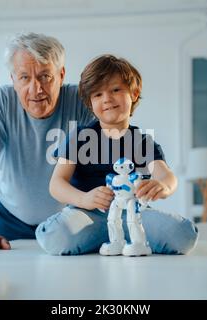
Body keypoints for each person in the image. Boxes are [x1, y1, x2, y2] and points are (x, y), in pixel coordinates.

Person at [35, 54, 198, 255]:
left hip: (132, 214)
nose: (107, 99)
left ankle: (119, 237)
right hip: (87, 214)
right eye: (97, 94)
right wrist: (85, 199)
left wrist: (163, 186)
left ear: (134, 93)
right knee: (55, 237)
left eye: (115, 90)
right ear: (89, 103)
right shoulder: (79, 137)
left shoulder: (142, 142)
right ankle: (106, 237)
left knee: (183, 235)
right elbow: (56, 184)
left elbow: (167, 175)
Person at [0, 32, 95, 251]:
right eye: (24, 77)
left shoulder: (82, 102)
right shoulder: (2, 102)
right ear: (13, 79)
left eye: (45, 76)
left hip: (67, 223)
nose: (36, 89)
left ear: (61, 75)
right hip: (8, 221)